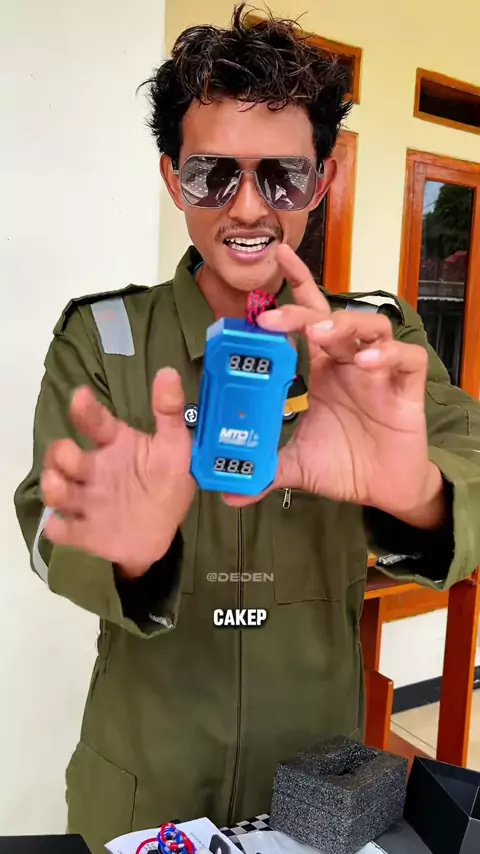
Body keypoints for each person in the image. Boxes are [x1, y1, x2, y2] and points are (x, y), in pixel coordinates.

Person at [14, 5, 480, 853]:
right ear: (173, 179)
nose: (249, 207)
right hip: (143, 783)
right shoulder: (104, 338)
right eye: (213, 175)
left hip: (317, 791)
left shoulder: (373, 341)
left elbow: (470, 463)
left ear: (322, 181)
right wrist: (130, 553)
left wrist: (416, 495)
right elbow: (46, 519)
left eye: (283, 177)